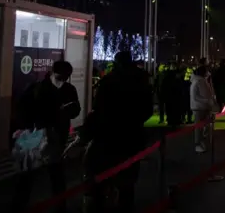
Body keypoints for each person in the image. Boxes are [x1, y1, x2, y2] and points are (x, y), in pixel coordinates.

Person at [84, 51, 153, 212]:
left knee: (104, 174)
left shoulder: (109, 81)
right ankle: (125, 204)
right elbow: (147, 109)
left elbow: (98, 107)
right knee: (128, 179)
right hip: (132, 135)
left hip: (108, 135)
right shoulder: (140, 81)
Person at [13, 60, 81, 213]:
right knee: (27, 177)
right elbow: (22, 110)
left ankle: (60, 206)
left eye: (66, 77)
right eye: (60, 77)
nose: (62, 81)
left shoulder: (69, 89)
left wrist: (68, 110)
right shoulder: (36, 88)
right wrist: (28, 127)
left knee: (56, 176)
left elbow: (76, 109)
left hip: (56, 138)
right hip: (36, 138)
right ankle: (18, 206)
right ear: (52, 72)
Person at [191, 59, 217, 153]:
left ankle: (201, 142)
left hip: (204, 107)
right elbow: (195, 97)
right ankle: (198, 144)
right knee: (198, 128)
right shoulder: (197, 81)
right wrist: (207, 100)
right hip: (199, 107)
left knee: (203, 126)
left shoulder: (202, 80)